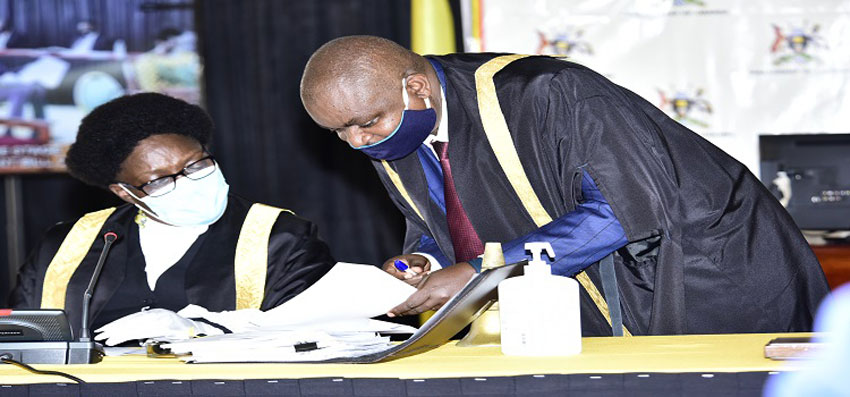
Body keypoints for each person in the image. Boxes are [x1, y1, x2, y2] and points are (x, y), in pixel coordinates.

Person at [299, 35, 829, 336]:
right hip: (594, 284)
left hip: (704, 272)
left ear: (415, 88)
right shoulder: (389, 131)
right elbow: (443, 224)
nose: (355, 141)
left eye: (364, 122)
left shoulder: (547, 92)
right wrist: (426, 265)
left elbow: (621, 210)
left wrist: (482, 269)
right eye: (338, 131)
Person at [9, 92, 335, 344]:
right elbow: (22, 340)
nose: (189, 183)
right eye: (160, 180)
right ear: (125, 192)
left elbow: (311, 334)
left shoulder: (281, 238)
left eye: (196, 165)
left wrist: (200, 329)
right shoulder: (67, 246)